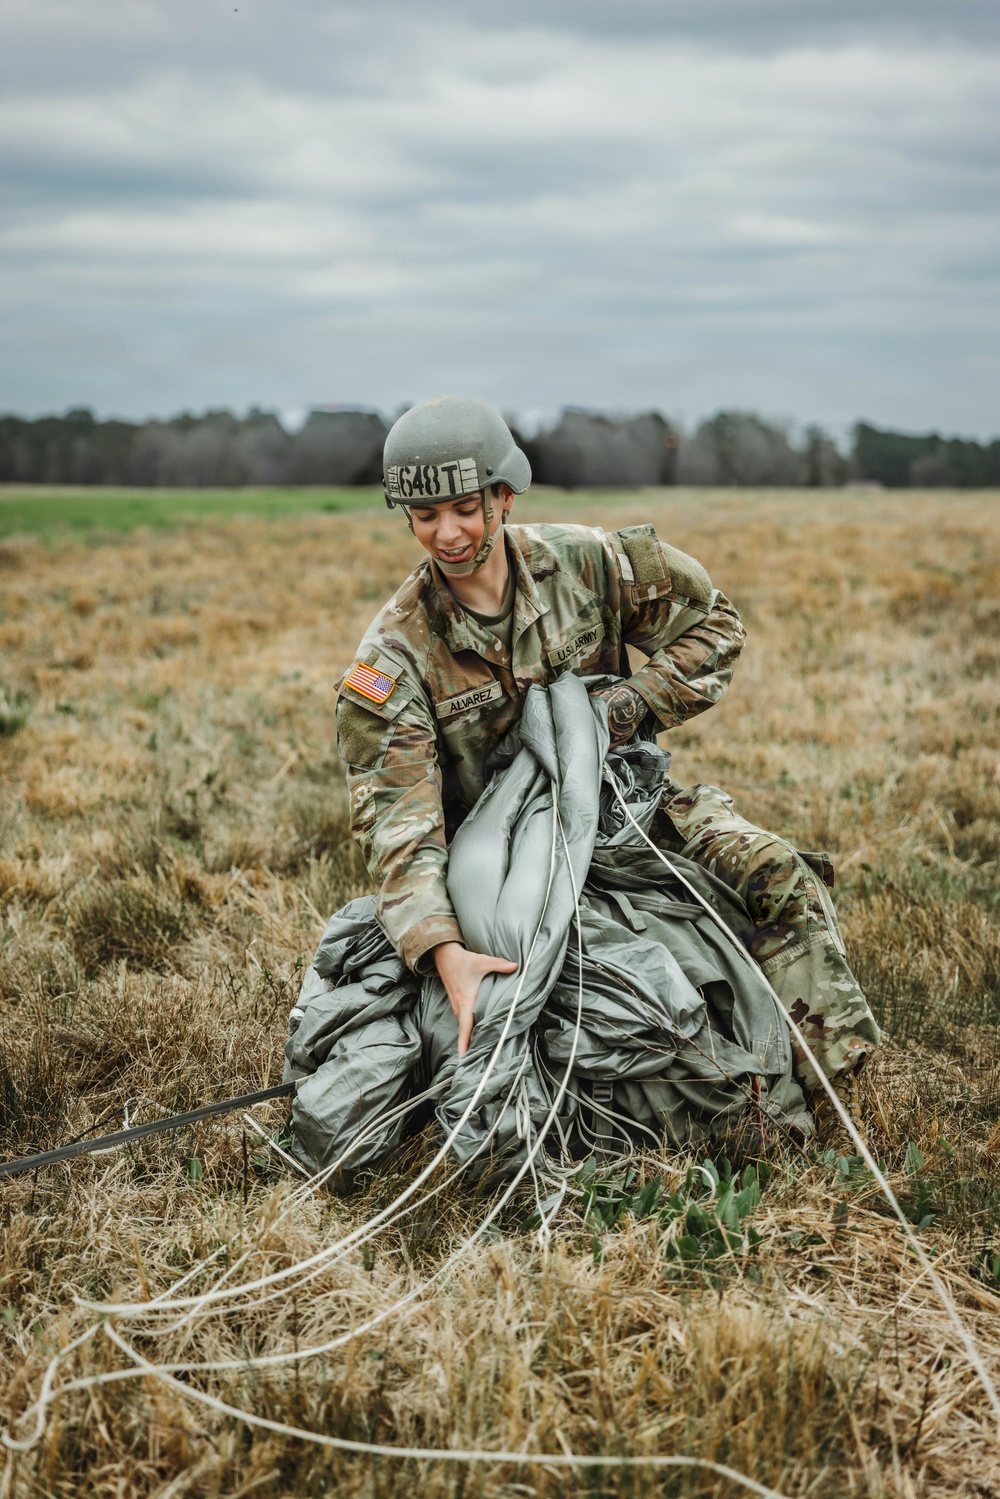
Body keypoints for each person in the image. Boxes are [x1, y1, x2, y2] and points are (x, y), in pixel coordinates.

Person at [335, 396, 880, 1133]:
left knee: (773, 870)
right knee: (619, 1008)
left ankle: (836, 1087)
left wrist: (619, 713)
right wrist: (443, 949)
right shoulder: (394, 656)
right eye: (425, 515)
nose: (448, 533)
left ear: (504, 493)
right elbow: (398, 823)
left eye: (465, 507)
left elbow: (715, 626)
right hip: (508, 875)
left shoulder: (586, 563)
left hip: (629, 813)